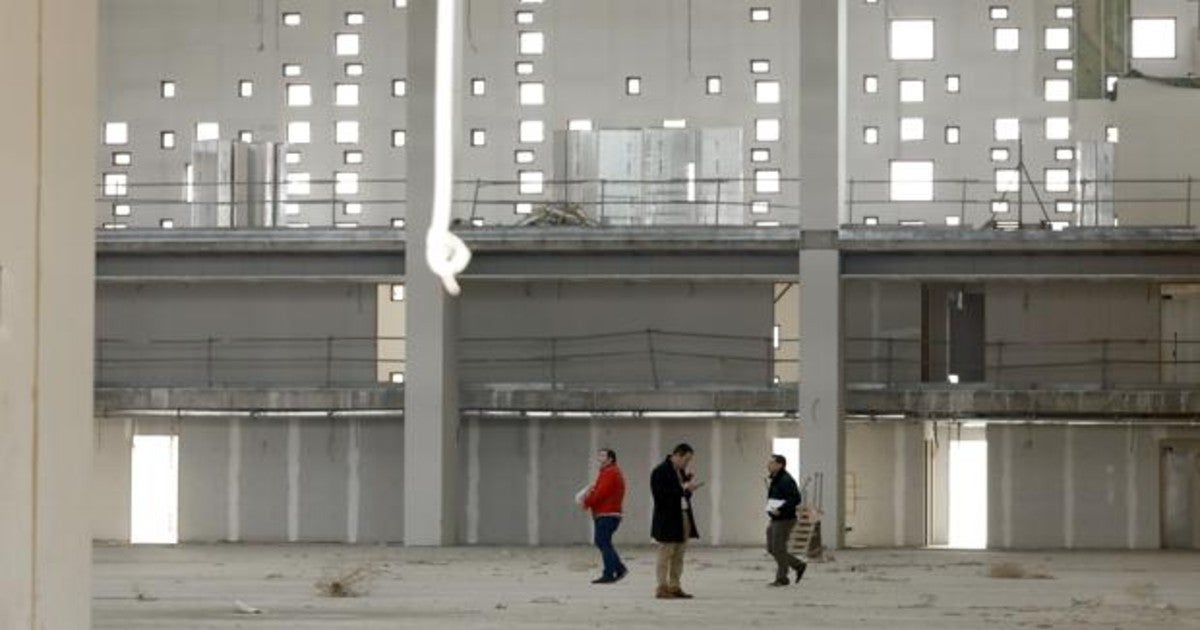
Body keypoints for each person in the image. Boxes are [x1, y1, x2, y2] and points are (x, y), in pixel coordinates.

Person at [650, 443, 701, 599]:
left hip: (683, 516)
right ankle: (662, 587)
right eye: (686, 459)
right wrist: (684, 489)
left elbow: (682, 496)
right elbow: (660, 496)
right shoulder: (660, 471)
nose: (687, 463)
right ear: (677, 455)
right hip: (667, 519)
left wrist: (688, 489)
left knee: (679, 554)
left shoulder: (680, 471)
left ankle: (675, 586)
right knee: (665, 554)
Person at [581, 448, 628, 584]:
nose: (599, 457)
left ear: (610, 459)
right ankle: (619, 569)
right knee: (603, 541)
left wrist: (586, 502)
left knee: (602, 541)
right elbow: (599, 492)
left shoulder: (610, 472)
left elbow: (600, 493)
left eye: (602, 455)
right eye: (599, 455)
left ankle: (610, 573)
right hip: (609, 513)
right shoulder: (608, 472)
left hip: (607, 513)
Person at [764, 454, 807, 586]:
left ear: (779, 465)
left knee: (778, 548)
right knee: (772, 548)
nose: (768, 465)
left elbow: (796, 499)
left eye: (771, 463)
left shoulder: (786, 480)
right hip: (775, 519)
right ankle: (798, 565)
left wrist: (781, 508)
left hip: (785, 519)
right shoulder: (776, 479)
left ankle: (782, 577)